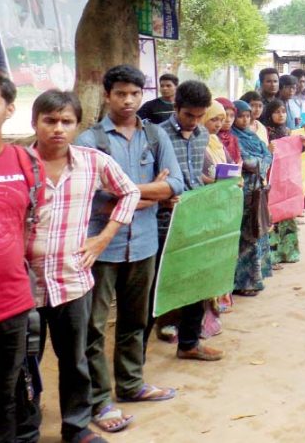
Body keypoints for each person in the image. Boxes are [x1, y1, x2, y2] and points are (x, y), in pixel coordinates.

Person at [28, 90, 140, 440]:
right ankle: (25, 429)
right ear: (35, 123)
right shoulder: (17, 164)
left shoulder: (93, 162)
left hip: (72, 281)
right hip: (22, 285)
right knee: (22, 365)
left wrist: (103, 238)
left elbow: (130, 192)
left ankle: (76, 428)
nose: (58, 129)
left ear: (77, 125)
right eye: (50, 121)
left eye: (66, 121)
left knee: (75, 361)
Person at [74, 65, 184, 418]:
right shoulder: (90, 142)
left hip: (144, 244)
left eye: (135, 93)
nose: (128, 100)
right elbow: (90, 194)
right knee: (93, 325)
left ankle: (131, 383)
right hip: (101, 246)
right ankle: (99, 400)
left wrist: (123, 192)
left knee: (136, 321)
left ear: (143, 95)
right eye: (120, 93)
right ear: (107, 96)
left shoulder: (154, 137)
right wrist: (151, 194)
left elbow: (176, 185)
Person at [0, 73, 44, 443]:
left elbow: (28, 224)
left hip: (10, 308)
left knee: (3, 400)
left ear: (9, 110)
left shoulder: (25, 162)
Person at [154, 81, 224, 362]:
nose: (195, 122)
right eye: (189, 116)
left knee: (198, 281)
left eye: (199, 116)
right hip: (162, 220)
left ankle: (189, 343)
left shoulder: (201, 136)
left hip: (194, 218)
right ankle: (138, 356)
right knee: (157, 285)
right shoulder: (156, 135)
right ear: (176, 108)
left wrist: (220, 184)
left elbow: (194, 177)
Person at [231, 100, 273, 296]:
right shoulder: (232, 137)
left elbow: (268, 154)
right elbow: (245, 161)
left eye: (247, 116)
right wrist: (260, 163)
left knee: (258, 230)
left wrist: (260, 164)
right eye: (241, 116)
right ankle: (244, 282)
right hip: (244, 191)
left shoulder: (252, 135)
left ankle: (257, 277)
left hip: (257, 189)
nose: (245, 119)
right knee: (246, 235)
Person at [261, 99, 301, 269]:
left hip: (286, 179)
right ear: (269, 114)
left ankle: (288, 252)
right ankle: (273, 256)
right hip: (272, 179)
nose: (281, 115)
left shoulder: (286, 131)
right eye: (277, 112)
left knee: (287, 214)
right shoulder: (265, 132)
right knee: (273, 216)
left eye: (283, 111)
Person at [213, 98, 241, 164]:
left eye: (232, 116)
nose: (228, 120)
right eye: (225, 115)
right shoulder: (210, 138)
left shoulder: (233, 138)